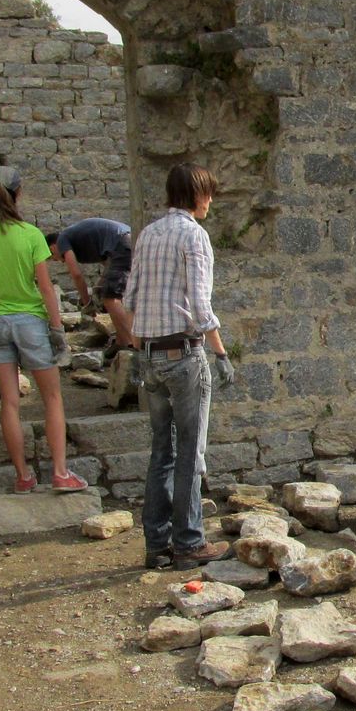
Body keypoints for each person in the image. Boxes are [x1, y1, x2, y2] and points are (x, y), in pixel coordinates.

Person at [125, 163, 237, 571]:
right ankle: (189, 543)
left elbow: (131, 295)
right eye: (207, 193)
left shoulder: (148, 234)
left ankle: (156, 545)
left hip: (151, 356)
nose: (210, 201)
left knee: (161, 451)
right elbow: (200, 305)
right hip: (184, 354)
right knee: (190, 450)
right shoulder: (194, 235)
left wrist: (138, 352)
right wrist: (221, 354)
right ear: (196, 195)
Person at [0, 164, 87, 493]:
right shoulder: (31, 235)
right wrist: (57, 328)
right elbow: (45, 288)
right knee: (53, 397)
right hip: (30, 322)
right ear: (19, 193)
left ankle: (22, 476)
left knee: (10, 402)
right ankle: (60, 472)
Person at [45, 218, 137, 352]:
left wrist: (87, 303)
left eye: (54, 257)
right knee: (109, 295)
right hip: (127, 241)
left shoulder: (62, 240)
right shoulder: (82, 242)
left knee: (111, 298)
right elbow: (108, 266)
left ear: (52, 247)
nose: (59, 261)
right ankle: (121, 341)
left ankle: (132, 344)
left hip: (121, 243)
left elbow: (76, 275)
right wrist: (97, 289)